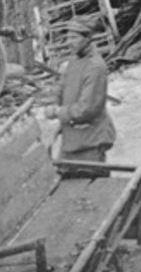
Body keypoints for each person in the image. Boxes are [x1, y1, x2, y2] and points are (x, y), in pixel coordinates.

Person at [45, 17, 116, 168]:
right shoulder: (72, 62)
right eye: (68, 38)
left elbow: (87, 109)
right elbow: (61, 86)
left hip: (91, 140)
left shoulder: (96, 67)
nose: (69, 42)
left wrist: (58, 112)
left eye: (74, 37)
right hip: (71, 139)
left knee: (88, 186)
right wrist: (53, 102)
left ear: (88, 38)